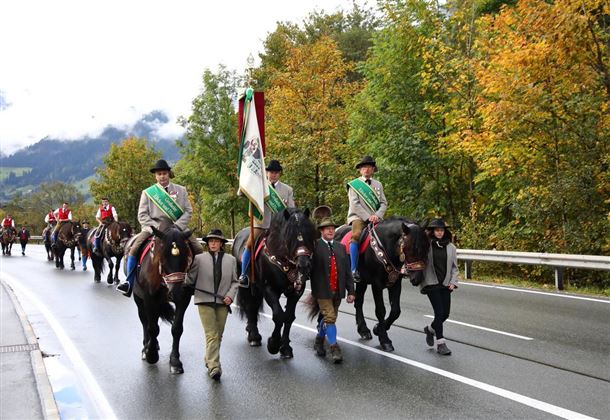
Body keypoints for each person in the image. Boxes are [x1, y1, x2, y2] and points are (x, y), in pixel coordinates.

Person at [116, 159, 204, 297]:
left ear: (169, 174)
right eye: (159, 174)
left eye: (164, 173)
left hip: (177, 228)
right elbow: (142, 215)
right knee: (134, 249)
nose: (162, 176)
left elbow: (188, 211)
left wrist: (178, 226)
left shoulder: (181, 190)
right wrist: (156, 228)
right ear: (155, 176)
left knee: (198, 249)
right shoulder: (148, 192)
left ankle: (197, 282)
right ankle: (129, 282)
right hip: (154, 228)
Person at [186, 229, 238, 381]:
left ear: (221, 243)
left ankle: (209, 359)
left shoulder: (231, 260)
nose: (213, 243)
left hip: (223, 301)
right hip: (204, 300)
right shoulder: (199, 259)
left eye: (216, 241)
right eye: (210, 241)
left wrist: (230, 296)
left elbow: (235, 282)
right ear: (207, 243)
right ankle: (214, 366)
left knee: (219, 335)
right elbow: (190, 279)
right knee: (212, 334)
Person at [238, 159, 295, 287]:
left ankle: (297, 273)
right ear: (266, 173)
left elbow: (291, 209)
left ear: (279, 173)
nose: (273, 174)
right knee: (249, 245)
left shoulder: (287, 189)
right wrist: (244, 182)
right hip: (261, 224)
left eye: (276, 172)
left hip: (280, 227)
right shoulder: (259, 186)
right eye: (270, 172)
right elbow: (241, 193)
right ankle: (244, 274)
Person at [311, 215, 355, 363]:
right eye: (327, 229)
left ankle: (319, 340)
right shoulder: (315, 246)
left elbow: (348, 271)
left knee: (329, 318)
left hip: (338, 290)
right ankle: (334, 348)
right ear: (321, 231)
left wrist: (351, 291)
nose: (330, 231)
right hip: (322, 290)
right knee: (330, 317)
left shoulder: (341, 247)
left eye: (332, 229)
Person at [420, 217, 459, 356]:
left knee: (445, 314)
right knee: (438, 312)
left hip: (445, 283)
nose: (439, 232)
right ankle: (441, 343)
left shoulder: (451, 247)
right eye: (437, 230)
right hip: (431, 283)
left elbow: (455, 268)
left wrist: (453, 282)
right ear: (432, 231)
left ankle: (430, 329)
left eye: (441, 230)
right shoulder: (426, 245)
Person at [346, 155, 387, 283]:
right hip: (358, 217)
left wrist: (377, 215)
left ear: (373, 169)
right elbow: (354, 204)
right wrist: (368, 217)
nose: (367, 169)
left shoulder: (378, 184)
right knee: (356, 236)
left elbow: (384, 203)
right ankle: (353, 269)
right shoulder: (354, 185)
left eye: (369, 167)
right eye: (364, 167)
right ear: (360, 170)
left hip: (375, 218)